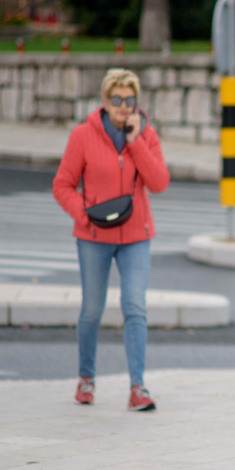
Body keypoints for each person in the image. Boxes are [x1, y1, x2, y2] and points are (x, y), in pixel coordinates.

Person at [53, 68, 170, 411]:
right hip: (93, 236)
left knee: (135, 306)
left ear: (136, 102)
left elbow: (159, 182)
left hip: (136, 236)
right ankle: (86, 378)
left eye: (129, 100)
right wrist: (83, 214)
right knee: (92, 309)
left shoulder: (146, 136)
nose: (123, 106)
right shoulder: (82, 135)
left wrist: (135, 144)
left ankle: (138, 387)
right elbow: (62, 185)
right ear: (104, 101)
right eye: (116, 100)